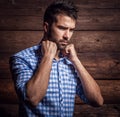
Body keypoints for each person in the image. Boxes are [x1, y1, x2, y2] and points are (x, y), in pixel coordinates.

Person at [9, 0, 104, 116]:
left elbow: (97, 101)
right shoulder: (22, 58)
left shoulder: (70, 62)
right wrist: (48, 57)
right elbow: (32, 98)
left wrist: (76, 61)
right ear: (46, 27)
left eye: (71, 30)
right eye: (62, 28)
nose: (67, 36)